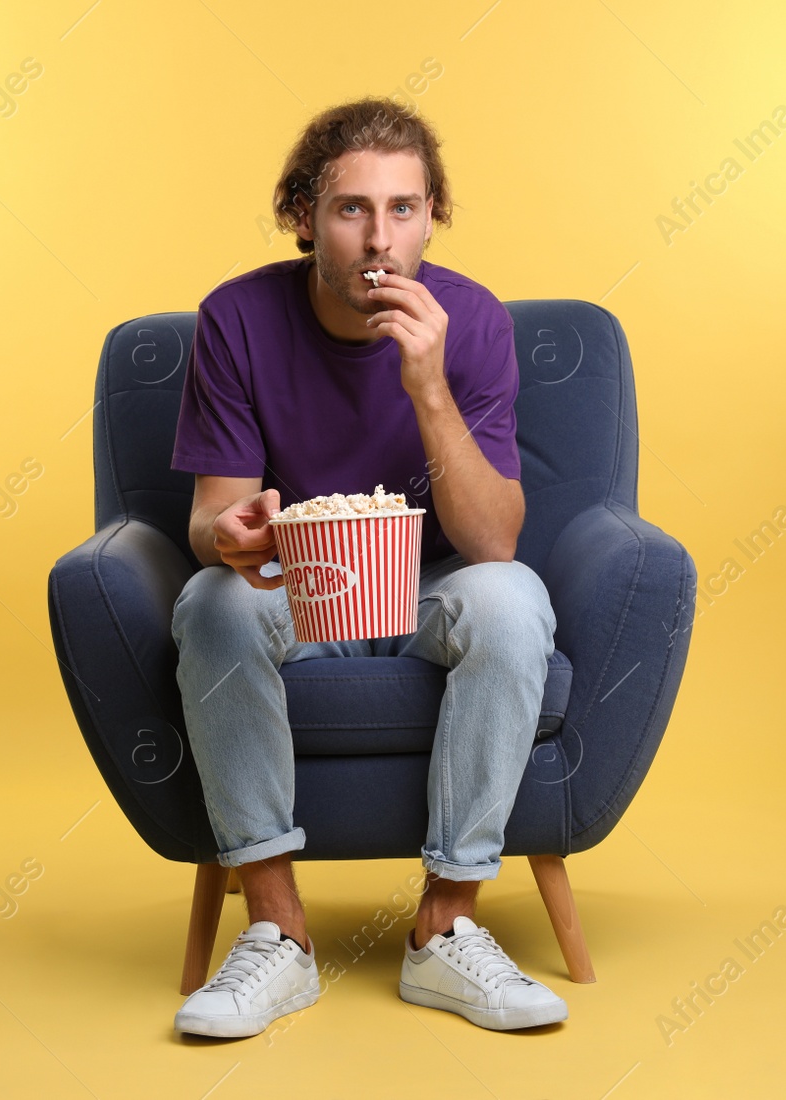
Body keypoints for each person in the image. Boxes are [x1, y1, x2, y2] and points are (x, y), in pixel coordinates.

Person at [168, 96, 566, 1038]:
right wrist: (230, 536)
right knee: (209, 602)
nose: (377, 239)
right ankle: (277, 936)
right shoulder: (236, 317)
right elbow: (206, 519)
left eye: (402, 208)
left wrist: (426, 383)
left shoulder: (471, 324)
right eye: (350, 209)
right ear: (303, 218)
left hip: (429, 588)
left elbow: (494, 541)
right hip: (300, 589)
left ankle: (447, 928)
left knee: (513, 600)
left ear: (433, 217)